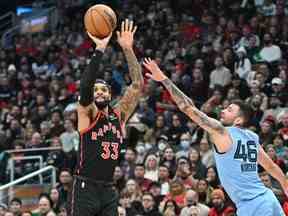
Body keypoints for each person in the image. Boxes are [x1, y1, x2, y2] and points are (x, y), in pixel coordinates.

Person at [143, 58, 287, 216]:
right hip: (267, 198)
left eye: (230, 109)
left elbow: (188, 107)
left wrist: (164, 79)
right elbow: (272, 167)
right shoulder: (252, 137)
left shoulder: (222, 132)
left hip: (252, 205)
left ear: (238, 120)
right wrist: (286, 187)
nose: (224, 110)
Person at [70, 19, 143, 216]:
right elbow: (85, 86)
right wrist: (100, 49)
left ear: (110, 94)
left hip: (108, 189)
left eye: (104, 90)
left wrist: (128, 49)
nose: (100, 92)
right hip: (85, 186)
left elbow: (137, 85)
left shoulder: (119, 115)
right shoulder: (88, 113)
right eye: (96, 90)